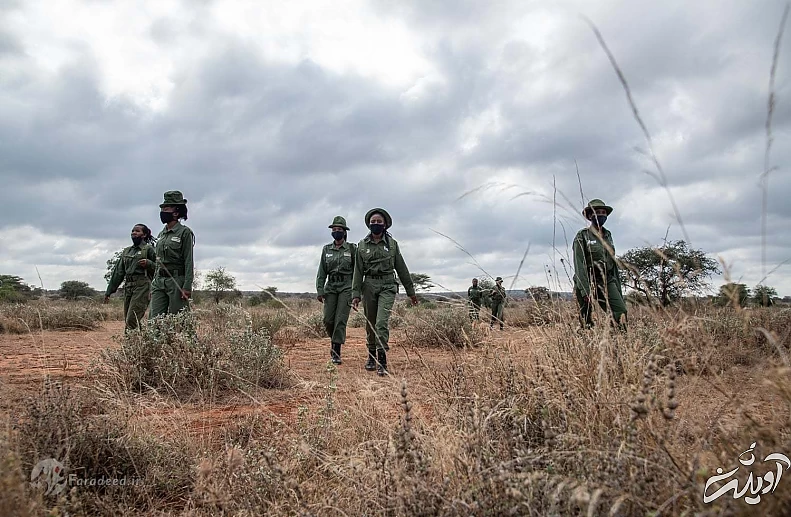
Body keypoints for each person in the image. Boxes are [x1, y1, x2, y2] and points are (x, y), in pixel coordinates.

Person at [351, 208, 418, 376]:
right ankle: (371, 355)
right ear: (368, 224)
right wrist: (355, 295)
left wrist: (411, 291)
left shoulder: (393, 245)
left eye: (379, 222)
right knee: (370, 323)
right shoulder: (362, 245)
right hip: (369, 285)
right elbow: (358, 272)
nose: (375, 224)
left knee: (381, 322)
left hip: (388, 285)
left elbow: (402, 268)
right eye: (372, 222)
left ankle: (382, 360)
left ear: (385, 225)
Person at [572, 198, 627, 330]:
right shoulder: (583, 235)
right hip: (588, 279)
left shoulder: (608, 235)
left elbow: (612, 262)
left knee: (620, 312)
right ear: (590, 215)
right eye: (597, 212)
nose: (601, 215)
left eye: (603, 212)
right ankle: (586, 345)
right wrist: (585, 289)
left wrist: (617, 287)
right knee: (587, 320)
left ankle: (619, 342)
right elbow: (579, 263)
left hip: (606, 280)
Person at [316, 216, 356, 365]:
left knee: (340, 320)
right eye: (334, 230)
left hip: (346, 286)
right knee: (327, 320)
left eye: (339, 230)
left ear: (344, 232)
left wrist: (356, 291)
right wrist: (320, 289)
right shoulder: (326, 249)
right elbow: (322, 271)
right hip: (331, 286)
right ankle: (333, 341)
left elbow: (357, 271)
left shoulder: (352, 249)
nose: (336, 232)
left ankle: (336, 351)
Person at [149, 191, 195, 318]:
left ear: (176, 212)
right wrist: (153, 284)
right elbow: (158, 262)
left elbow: (188, 261)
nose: (163, 211)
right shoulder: (161, 235)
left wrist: (187, 286)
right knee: (154, 320)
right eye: (162, 208)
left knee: (180, 319)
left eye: (166, 208)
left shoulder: (185, 233)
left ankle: (188, 339)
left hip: (176, 280)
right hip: (159, 281)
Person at [104, 224, 157, 330]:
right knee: (129, 320)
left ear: (144, 234)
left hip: (142, 285)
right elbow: (118, 272)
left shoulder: (149, 249)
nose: (134, 233)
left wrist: (149, 264)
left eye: (137, 231)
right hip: (128, 285)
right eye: (132, 231)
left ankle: (132, 344)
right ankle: (139, 343)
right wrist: (109, 291)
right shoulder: (127, 251)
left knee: (132, 319)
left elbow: (160, 269)